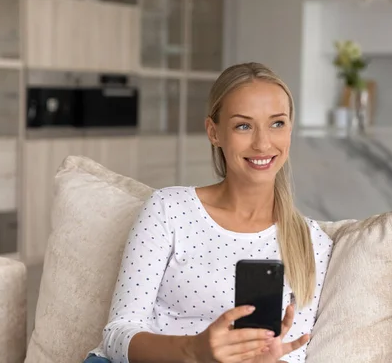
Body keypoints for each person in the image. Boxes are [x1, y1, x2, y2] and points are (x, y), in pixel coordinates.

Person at [84, 62, 333, 363]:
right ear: (214, 132)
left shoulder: (310, 243)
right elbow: (116, 334)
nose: (263, 143)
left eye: (277, 123)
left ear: (290, 130)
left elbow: (294, 353)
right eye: (244, 125)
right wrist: (194, 351)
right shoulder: (169, 209)